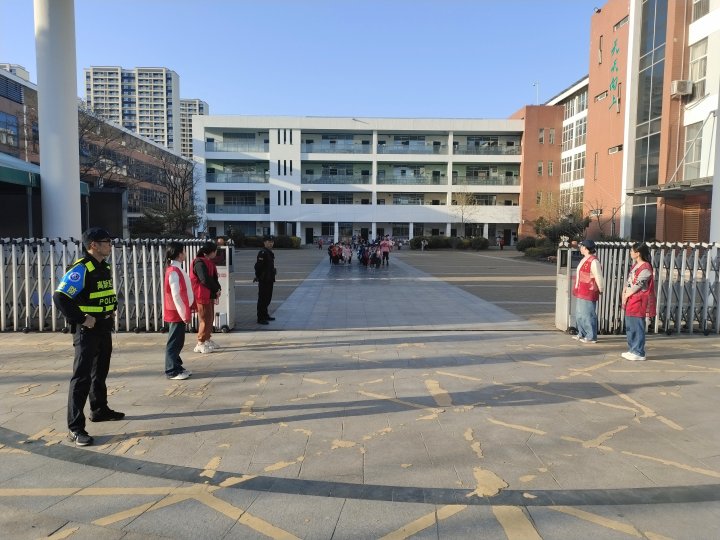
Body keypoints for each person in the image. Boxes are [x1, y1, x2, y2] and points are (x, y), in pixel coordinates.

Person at [52, 227, 124, 447]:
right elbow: (60, 297)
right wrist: (82, 318)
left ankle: (99, 409)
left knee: (100, 372)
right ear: (93, 245)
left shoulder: (103, 266)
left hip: (103, 326)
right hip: (87, 330)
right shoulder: (81, 268)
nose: (110, 245)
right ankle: (75, 428)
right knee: (81, 378)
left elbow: (100, 294)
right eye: (106, 241)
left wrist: (109, 310)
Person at [164, 242, 195, 379]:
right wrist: (183, 313)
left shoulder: (176, 269)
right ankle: (171, 370)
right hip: (176, 312)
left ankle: (176, 366)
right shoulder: (174, 271)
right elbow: (176, 295)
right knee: (174, 342)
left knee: (178, 341)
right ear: (179, 254)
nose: (185, 254)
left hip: (178, 311)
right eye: (184, 251)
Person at [621, 243, 655, 361]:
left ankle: (639, 352)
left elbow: (638, 284)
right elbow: (629, 281)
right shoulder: (635, 265)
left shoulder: (646, 267)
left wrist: (627, 294)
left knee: (637, 326)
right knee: (630, 326)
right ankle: (632, 349)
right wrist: (624, 292)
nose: (630, 253)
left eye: (632, 251)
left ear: (638, 253)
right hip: (631, 299)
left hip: (638, 300)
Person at [191, 242, 221, 353]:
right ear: (211, 252)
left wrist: (217, 288)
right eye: (215, 251)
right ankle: (200, 342)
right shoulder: (199, 263)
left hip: (208, 294)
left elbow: (213, 278)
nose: (216, 253)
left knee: (210, 318)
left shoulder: (207, 262)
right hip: (202, 294)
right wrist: (215, 289)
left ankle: (207, 339)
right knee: (204, 319)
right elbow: (204, 279)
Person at [572, 239, 604, 343]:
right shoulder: (584, 259)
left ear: (586, 248)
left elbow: (598, 276)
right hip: (581, 290)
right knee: (580, 314)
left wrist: (601, 288)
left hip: (589, 291)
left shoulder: (594, 261)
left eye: (581, 246)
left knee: (588, 314)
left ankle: (591, 336)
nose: (580, 248)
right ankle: (581, 333)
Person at [255, 235, 277, 324]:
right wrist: (258, 276)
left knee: (268, 298)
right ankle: (260, 318)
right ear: (264, 243)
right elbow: (258, 267)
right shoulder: (262, 253)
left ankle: (265, 314)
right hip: (264, 279)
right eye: (269, 242)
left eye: (272, 242)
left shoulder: (269, 252)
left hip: (270, 279)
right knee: (263, 299)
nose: (271, 244)